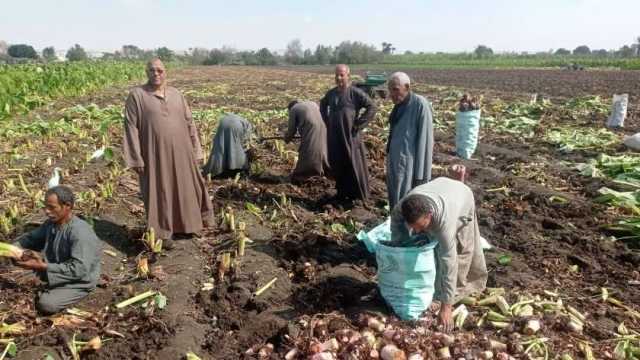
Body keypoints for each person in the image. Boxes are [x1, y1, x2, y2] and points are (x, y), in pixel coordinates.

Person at [123, 58, 214, 244]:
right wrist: (135, 158)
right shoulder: (137, 95)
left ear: (165, 72)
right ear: (146, 72)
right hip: (154, 155)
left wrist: (197, 149)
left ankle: (188, 227)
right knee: (160, 191)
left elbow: (190, 123)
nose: (155, 74)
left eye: (159, 70)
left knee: (187, 188)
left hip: (183, 153)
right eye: (151, 70)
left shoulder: (176, 94)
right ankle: (163, 232)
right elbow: (130, 127)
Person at [390, 176, 487, 332]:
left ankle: (454, 294)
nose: (416, 231)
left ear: (429, 215)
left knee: (460, 250)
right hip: (439, 187)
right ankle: (432, 288)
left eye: (421, 226)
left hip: (461, 197)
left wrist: (446, 307)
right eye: (413, 227)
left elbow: (449, 262)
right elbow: (396, 229)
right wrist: (399, 251)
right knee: (425, 241)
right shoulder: (401, 208)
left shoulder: (445, 222)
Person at [15, 186, 101, 314]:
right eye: (45, 207)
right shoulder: (51, 224)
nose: (47, 212)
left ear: (67, 206)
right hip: (58, 269)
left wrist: (43, 266)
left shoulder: (80, 232)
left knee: (47, 304)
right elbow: (31, 239)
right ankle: (52, 284)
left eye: (52, 207)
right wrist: (12, 249)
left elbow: (79, 270)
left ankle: (80, 292)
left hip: (79, 280)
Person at [320, 64, 376, 202]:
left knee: (354, 164)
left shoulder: (354, 93)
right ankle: (342, 193)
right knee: (338, 163)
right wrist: (327, 122)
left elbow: (372, 107)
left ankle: (359, 196)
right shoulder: (331, 94)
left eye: (342, 75)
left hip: (350, 136)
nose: (338, 78)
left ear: (348, 76)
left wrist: (358, 124)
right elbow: (322, 104)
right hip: (335, 137)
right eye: (336, 75)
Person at [386, 72, 434, 209]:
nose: (392, 94)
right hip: (394, 161)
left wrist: (421, 174)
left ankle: (403, 227)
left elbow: (425, 141)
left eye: (395, 89)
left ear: (407, 87)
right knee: (394, 198)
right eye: (390, 90)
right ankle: (395, 223)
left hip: (408, 165)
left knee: (406, 202)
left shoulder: (420, 105)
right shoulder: (399, 105)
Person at [285, 100, 330, 182]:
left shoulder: (293, 109)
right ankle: (325, 170)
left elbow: (291, 130)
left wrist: (286, 139)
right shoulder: (312, 103)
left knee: (308, 149)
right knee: (322, 147)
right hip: (323, 126)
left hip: (310, 128)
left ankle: (304, 174)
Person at [202, 113, 253, 178]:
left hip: (223, 123)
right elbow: (245, 142)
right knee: (237, 147)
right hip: (236, 125)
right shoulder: (248, 125)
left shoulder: (239, 120)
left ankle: (221, 168)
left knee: (221, 145)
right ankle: (238, 168)